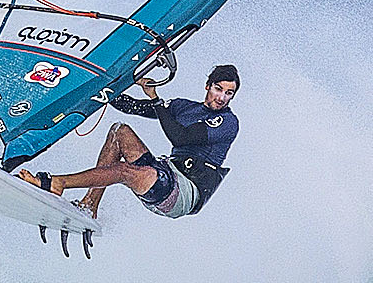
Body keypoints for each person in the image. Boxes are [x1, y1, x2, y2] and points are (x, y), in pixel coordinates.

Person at [18, 64, 240, 219]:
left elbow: (179, 137)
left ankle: (59, 183)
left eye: (228, 93)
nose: (221, 98)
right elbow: (131, 106)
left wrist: (155, 98)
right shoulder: (183, 106)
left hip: (184, 193)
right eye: (218, 89)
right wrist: (106, 85)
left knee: (124, 171)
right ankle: (89, 204)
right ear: (207, 86)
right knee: (119, 131)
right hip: (165, 174)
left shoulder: (228, 122)